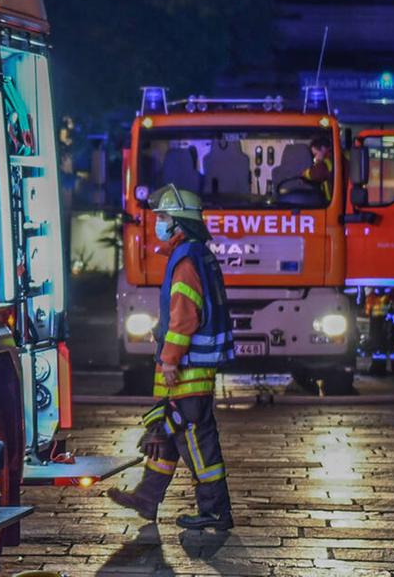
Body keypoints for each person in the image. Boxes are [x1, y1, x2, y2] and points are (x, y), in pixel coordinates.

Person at [107, 185, 236, 530]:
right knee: (168, 431)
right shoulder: (194, 255)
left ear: (179, 224)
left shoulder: (186, 261)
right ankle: (148, 498)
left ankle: (215, 511)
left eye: (163, 217)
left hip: (188, 369)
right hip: (192, 366)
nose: (158, 223)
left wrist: (169, 359)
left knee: (194, 438)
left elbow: (185, 318)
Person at [300, 135, 334, 201]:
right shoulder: (335, 156)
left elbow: (317, 173)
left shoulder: (329, 160)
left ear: (323, 148)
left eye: (316, 154)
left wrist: (304, 174)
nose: (316, 158)